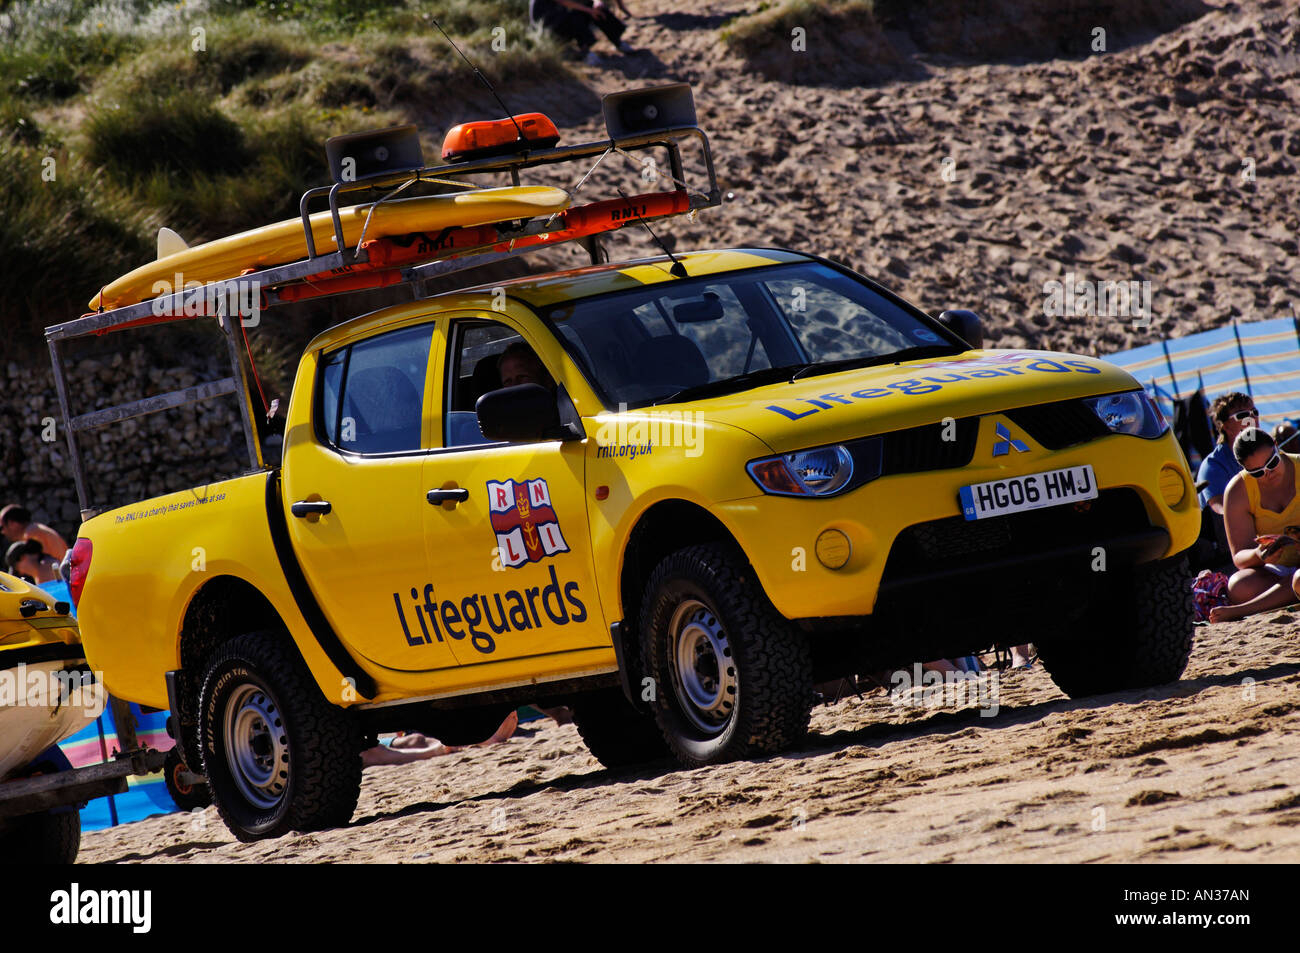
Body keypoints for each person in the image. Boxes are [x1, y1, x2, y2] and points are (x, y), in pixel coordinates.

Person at [1208, 428, 1300, 623]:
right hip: (1278, 569)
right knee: (1238, 585)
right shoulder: (1237, 490)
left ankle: (1244, 610)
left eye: (1272, 463)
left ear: (1277, 447)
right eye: (1257, 472)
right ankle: (1285, 595)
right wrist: (1260, 555)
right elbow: (1239, 556)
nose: (1268, 473)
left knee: (1299, 580)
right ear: (1243, 469)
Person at [1198, 393, 1257, 516]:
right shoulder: (1213, 466)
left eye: (1254, 412)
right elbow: (1222, 510)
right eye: (1243, 415)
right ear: (1225, 427)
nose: (1252, 418)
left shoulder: (1269, 454)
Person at [529, 0, 634, 65]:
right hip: (549, 30)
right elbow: (564, 2)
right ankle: (586, 53)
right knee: (575, 15)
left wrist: (596, 2)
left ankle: (618, 42)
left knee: (596, 8)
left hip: (561, 20)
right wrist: (589, 11)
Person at [0, 504, 69, 561]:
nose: (2, 532)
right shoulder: (36, 529)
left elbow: (40, 567)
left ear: (13, 523)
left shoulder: (32, 534)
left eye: (2, 527)